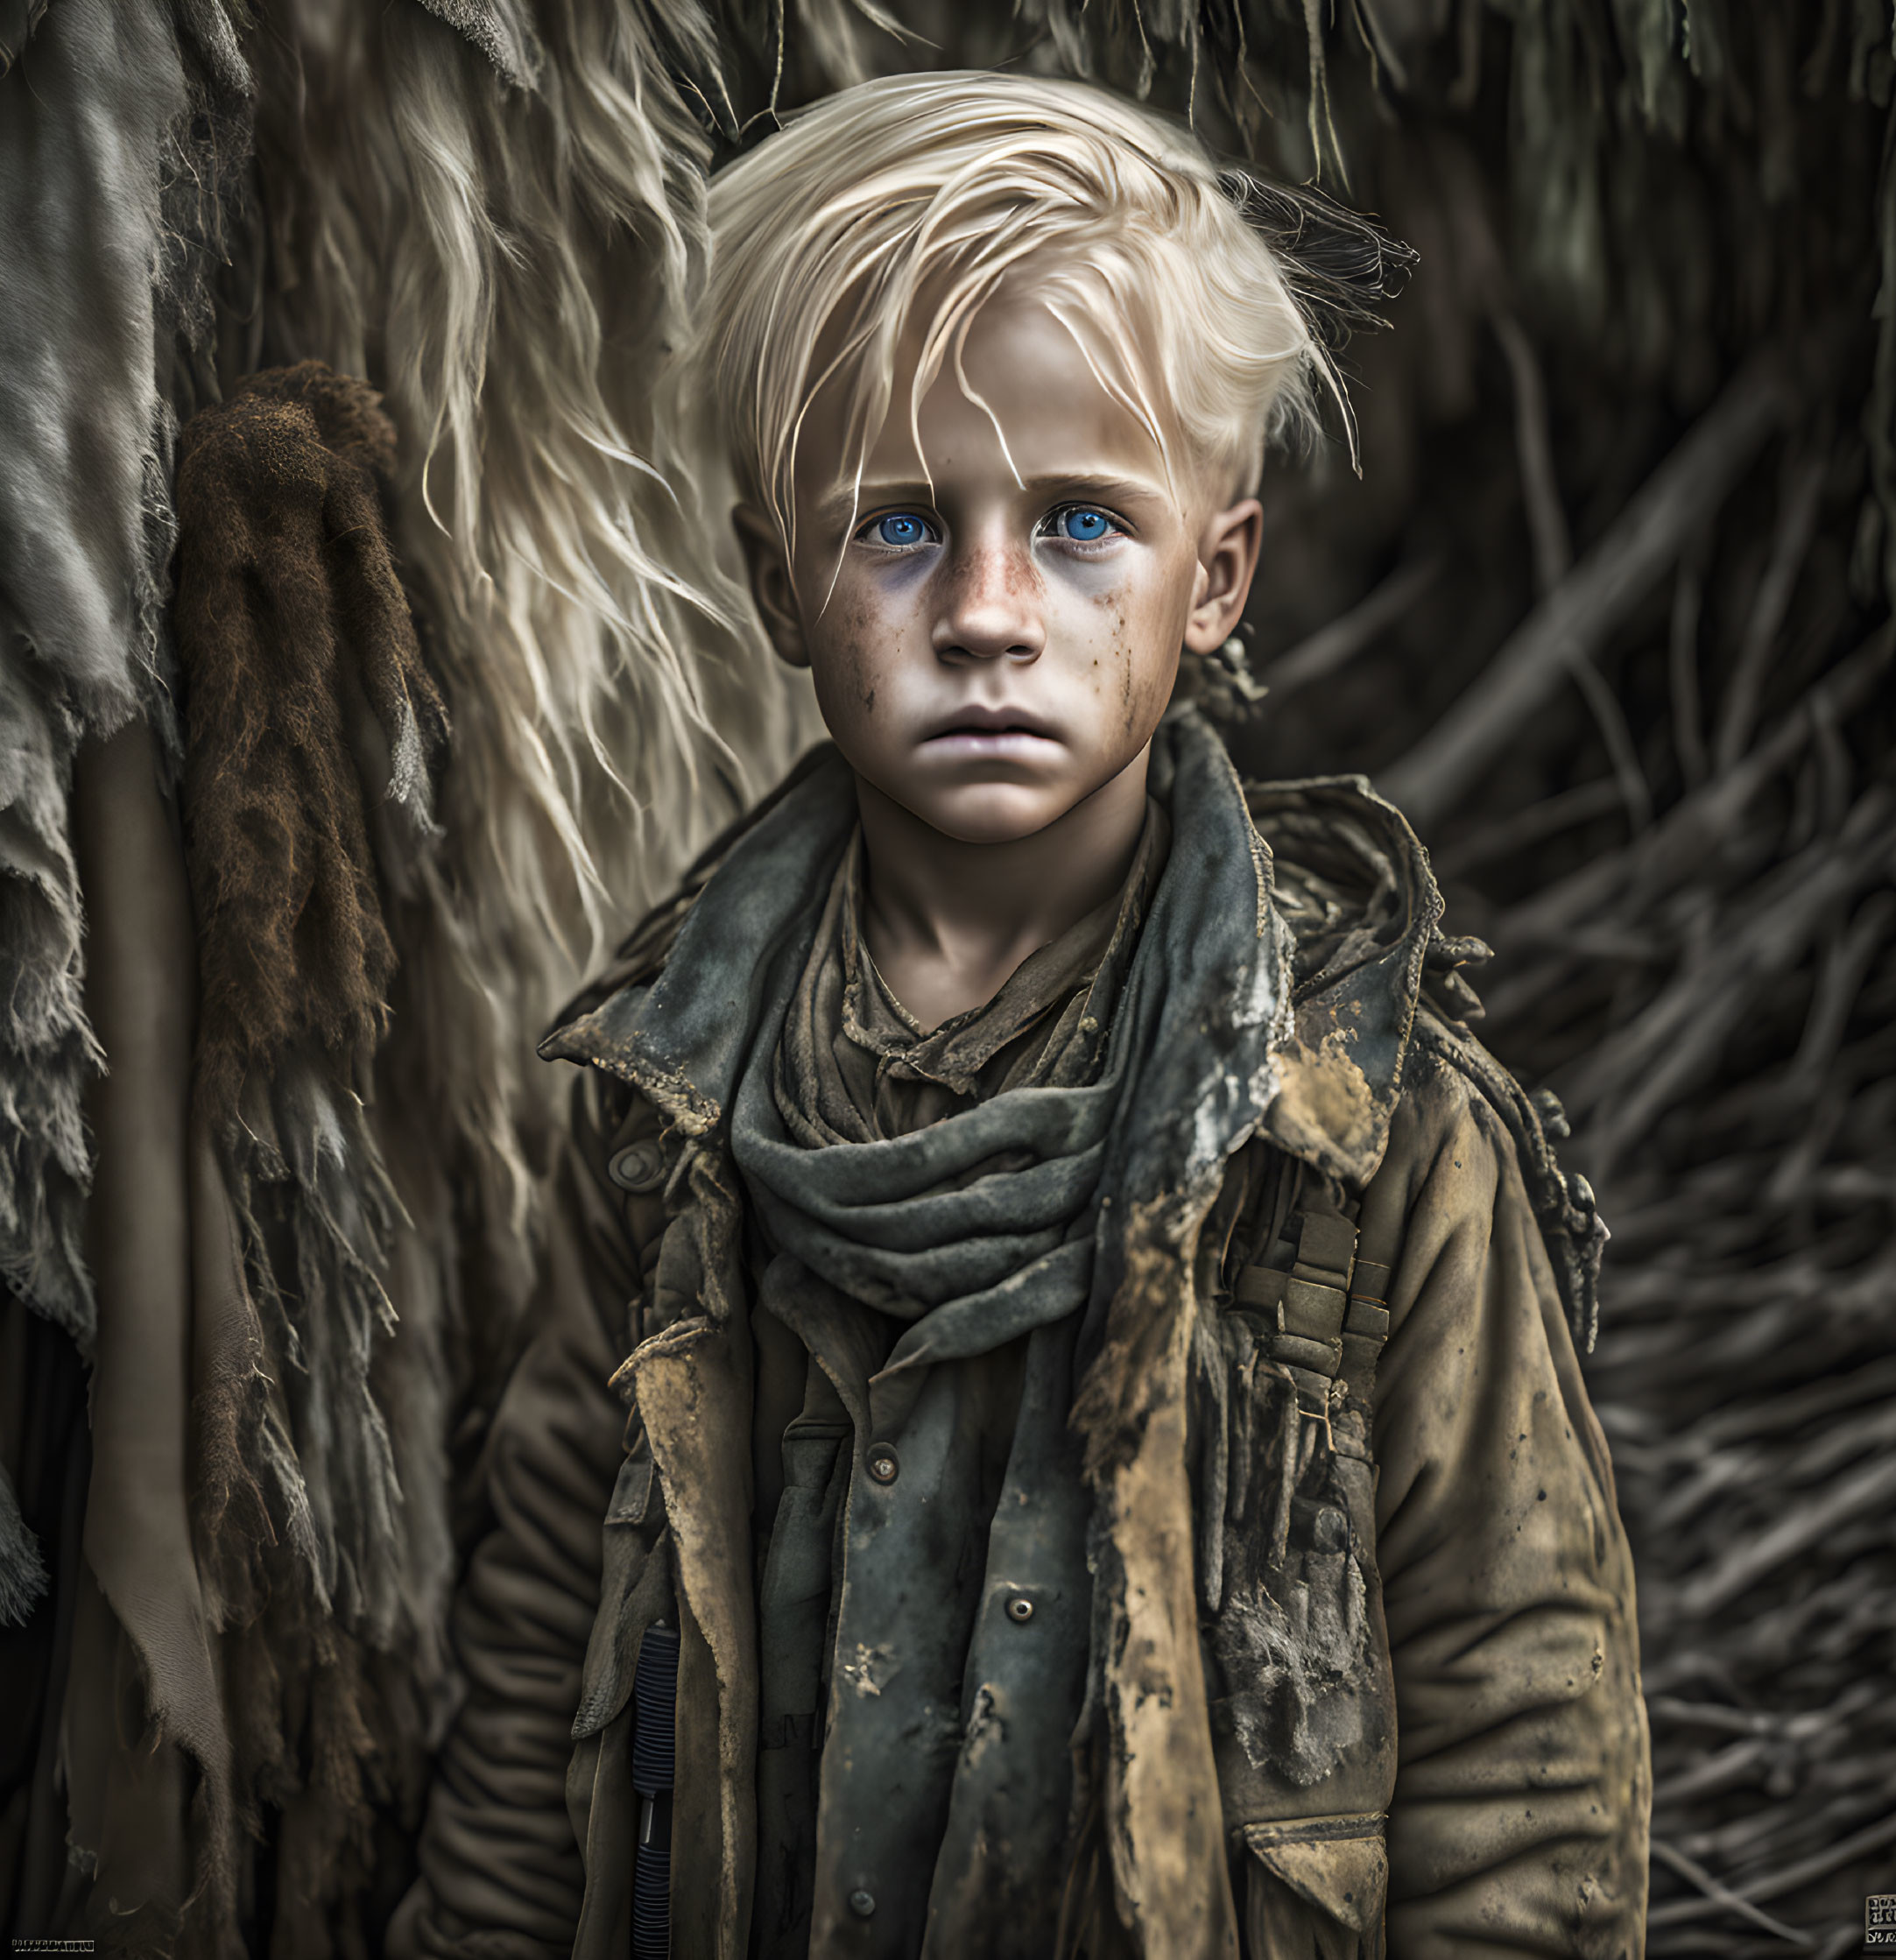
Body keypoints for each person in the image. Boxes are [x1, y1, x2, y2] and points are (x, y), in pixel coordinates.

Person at [388, 70, 1650, 1960]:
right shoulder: (665, 1118)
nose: (987, 610)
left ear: (1213, 577)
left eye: (1077, 523)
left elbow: (1522, 1752)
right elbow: (526, 1690)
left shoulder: (1367, 1142)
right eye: (899, 526)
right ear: (772, 581)